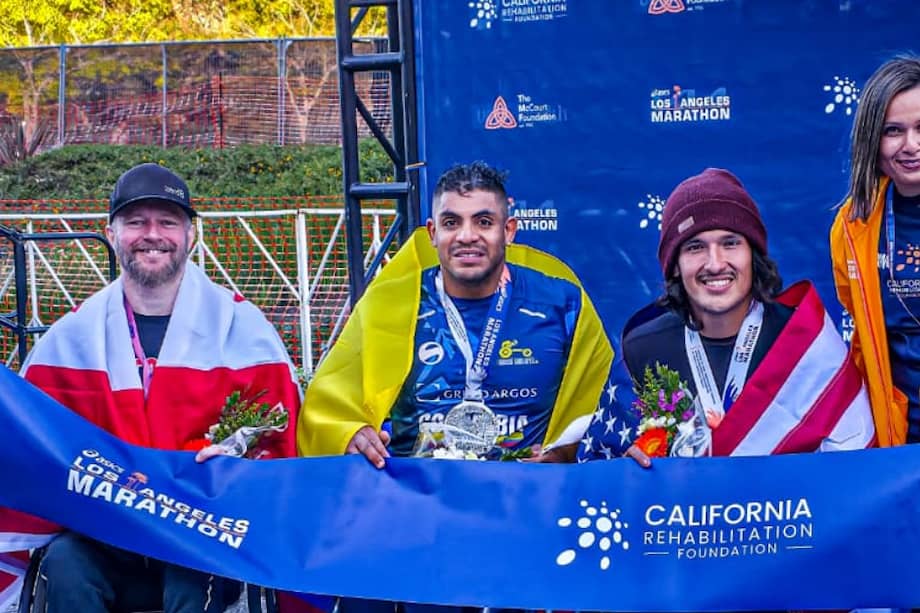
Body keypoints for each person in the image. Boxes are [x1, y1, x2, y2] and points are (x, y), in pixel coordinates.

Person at [15, 163, 301, 612]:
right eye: (136, 222)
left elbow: (282, 442)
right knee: (64, 564)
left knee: (197, 568)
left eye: (167, 222)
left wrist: (234, 468)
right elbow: (30, 444)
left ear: (190, 235)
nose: (152, 235)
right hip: (105, 532)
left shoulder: (243, 331)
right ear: (111, 234)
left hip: (200, 531)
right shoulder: (69, 340)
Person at [298, 160, 613, 468]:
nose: (466, 236)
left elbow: (603, 406)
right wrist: (351, 433)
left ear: (508, 231)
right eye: (451, 223)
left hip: (526, 491)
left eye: (483, 222)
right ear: (432, 232)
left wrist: (565, 452)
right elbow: (330, 409)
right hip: (419, 493)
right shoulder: (390, 303)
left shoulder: (562, 303)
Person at [580, 168, 876, 462]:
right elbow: (600, 460)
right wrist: (624, 464)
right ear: (675, 266)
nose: (715, 264)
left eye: (730, 243)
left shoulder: (806, 343)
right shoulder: (643, 348)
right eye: (695, 247)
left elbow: (854, 466)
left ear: (753, 255)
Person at [831, 54, 920, 448]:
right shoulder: (853, 225)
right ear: (872, 139)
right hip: (900, 437)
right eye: (893, 131)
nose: (911, 145)